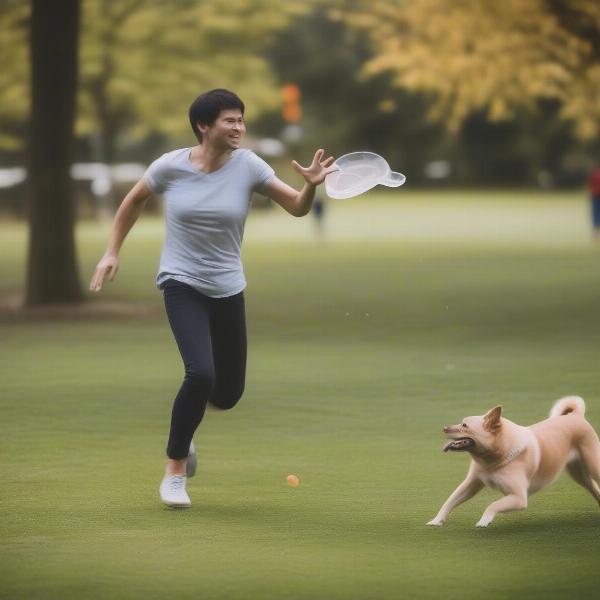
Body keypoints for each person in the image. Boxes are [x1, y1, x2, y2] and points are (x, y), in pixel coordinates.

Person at [89, 89, 337, 508]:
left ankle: (186, 429)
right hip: (180, 281)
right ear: (204, 126)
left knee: (228, 393)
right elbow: (133, 201)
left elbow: (296, 207)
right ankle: (175, 471)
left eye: (241, 120)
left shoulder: (249, 166)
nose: (239, 127)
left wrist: (310, 187)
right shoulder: (170, 166)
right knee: (200, 373)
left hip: (227, 287)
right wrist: (112, 250)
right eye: (229, 120)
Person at [588, 167, 600, 240]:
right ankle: (595, 233)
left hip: (595, 196)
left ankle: (595, 234)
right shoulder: (595, 175)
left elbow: (590, 186)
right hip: (595, 196)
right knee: (596, 214)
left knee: (595, 215)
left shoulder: (594, 175)